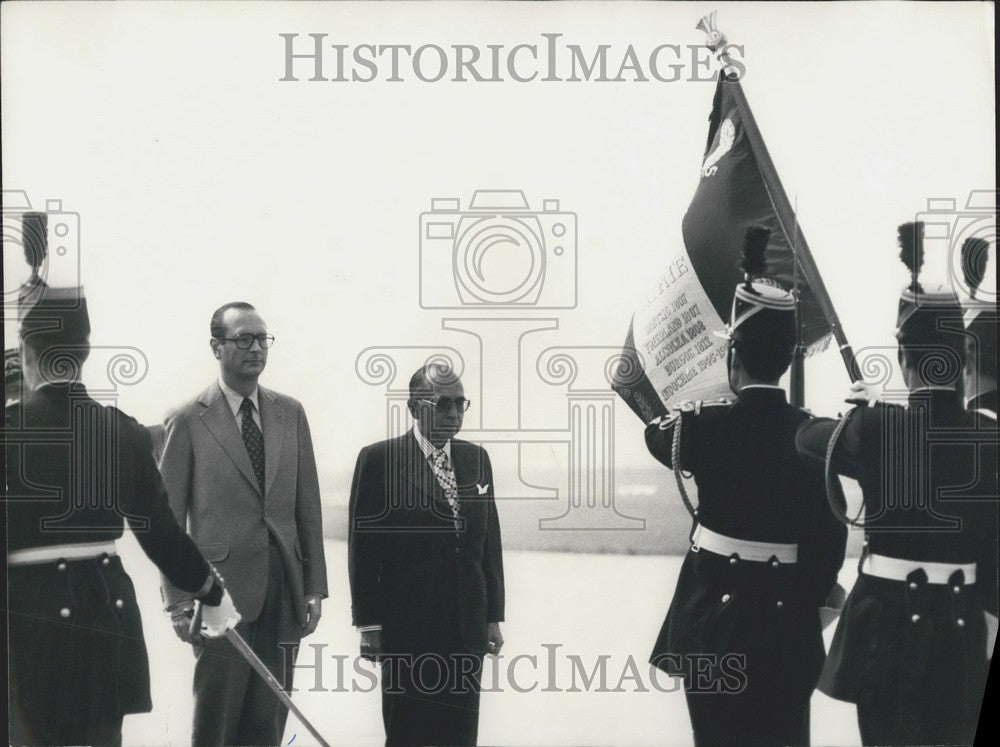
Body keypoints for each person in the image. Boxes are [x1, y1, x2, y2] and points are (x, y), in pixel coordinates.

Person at [6, 285, 239, 746]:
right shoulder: (122, 434)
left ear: (27, 351)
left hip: (27, 625)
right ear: (84, 352)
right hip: (103, 618)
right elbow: (162, 537)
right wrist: (211, 592)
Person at [796, 222, 999, 745]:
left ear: (904, 357)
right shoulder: (989, 437)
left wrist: (862, 411)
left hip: (884, 641)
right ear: (961, 359)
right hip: (960, 645)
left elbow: (806, 438)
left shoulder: (875, 428)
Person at [644, 226, 847, 746]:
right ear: (788, 358)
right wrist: (797, 604)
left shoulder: (701, 426)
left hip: (714, 626)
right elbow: (830, 544)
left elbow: (655, 435)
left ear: (733, 354)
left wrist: (719, 395)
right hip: (787, 631)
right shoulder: (815, 436)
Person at [158, 301, 328, 746]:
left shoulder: (291, 412)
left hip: (284, 593)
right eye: (244, 339)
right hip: (217, 598)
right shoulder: (187, 419)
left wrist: (313, 588)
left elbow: (307, 508)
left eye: (262, 339)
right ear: (217, 347)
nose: (256, 348)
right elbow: (167, 522)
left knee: (268, 727)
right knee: (215, 727)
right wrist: (178, 603)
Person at [348, 362, 505, 746]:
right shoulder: (380, 460)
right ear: (415, 407)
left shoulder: (476, 459)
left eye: (460, 403)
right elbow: (363, 552)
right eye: (443, 403)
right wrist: (369, 626)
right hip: (407, 631)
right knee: (408, 735)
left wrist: (492, 618)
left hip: (466, 629)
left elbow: (488, 544)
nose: (454, 413)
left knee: (460, 738)